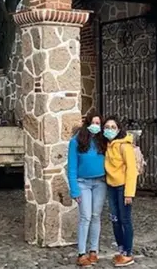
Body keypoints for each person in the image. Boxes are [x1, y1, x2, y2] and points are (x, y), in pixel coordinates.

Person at [68, 111, 108, 267]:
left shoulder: (103, 141)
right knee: (85, 217)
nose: (96, 126)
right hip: (83, 183)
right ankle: (81, 253)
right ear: (88, 123)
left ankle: (94, 250)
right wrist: (74, 189)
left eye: (99, 124)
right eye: (94, 123)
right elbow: (71, 166)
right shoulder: (76, 141)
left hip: (100, 183)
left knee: (96, 215)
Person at [103, 116, 138, 267]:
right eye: (107, 127)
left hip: (123, 187)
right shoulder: (108, 146)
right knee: (115, 220)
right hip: (111, 186)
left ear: (118, 129)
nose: (109, 130)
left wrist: (129, 192)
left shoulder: (125, 146)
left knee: (125, 219)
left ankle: (128, 253)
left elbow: (132, 169)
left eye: (113, 127)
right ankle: (121, 250)